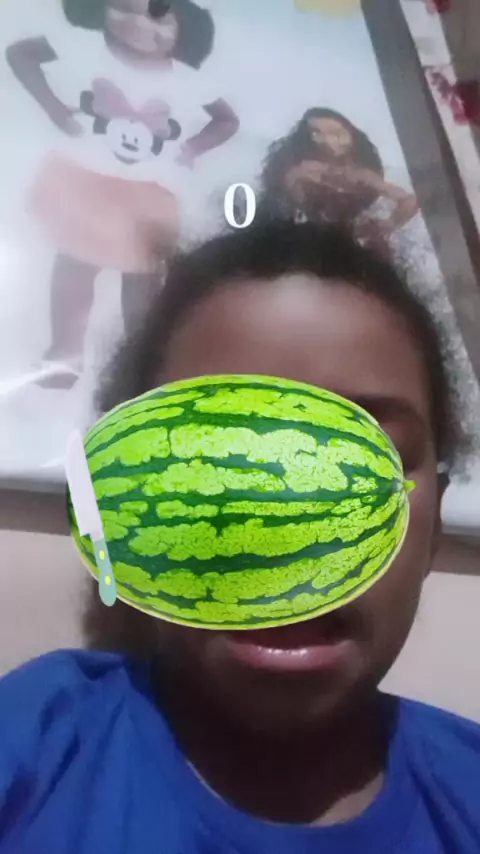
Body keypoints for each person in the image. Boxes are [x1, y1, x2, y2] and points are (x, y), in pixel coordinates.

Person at [1, 220, 480, 854]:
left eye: (366, 461)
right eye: (219, 456)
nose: (290, 522)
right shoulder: (34, 743)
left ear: (435, 522)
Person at [6, 0, 239, 389]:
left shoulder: (189, 80)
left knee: (143, 283)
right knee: (74, 272)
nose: (137, 23)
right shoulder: (82, 46)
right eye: (123, 7)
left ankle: (143, 363)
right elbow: (20, 54)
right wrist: (52, 107)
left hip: (147, 193)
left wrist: (193, 148)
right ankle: (65, 356)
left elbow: (227, 120)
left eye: (157, 15)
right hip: (87, 181)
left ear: (185, 25)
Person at [258, 108, 418, 257]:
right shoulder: (299, 170)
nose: (327, 141)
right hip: (304, 238)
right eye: (316, 133)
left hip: (350, 239)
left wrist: (389, 224)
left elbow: (409, 201)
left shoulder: (360, 175)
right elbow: (285, 201)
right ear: (305, 139)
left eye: (336, 134)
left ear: (352, 139)